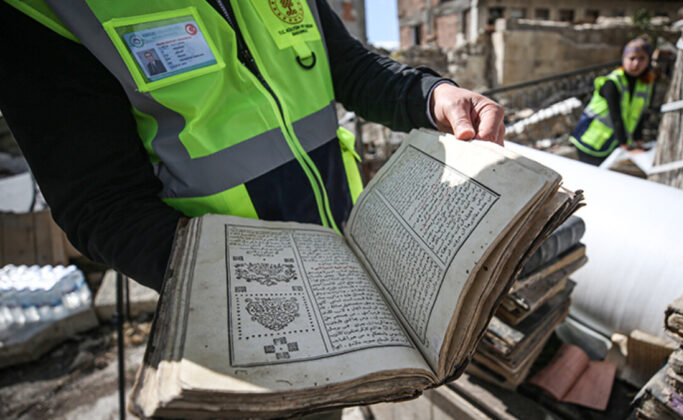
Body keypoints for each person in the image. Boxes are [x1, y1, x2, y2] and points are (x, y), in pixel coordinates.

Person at [0, 1, 505, 291]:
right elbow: (101, 204)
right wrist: (236, 284)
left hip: (348, 253)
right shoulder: (47, 10)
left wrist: (431, 94)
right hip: (234, 296)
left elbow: (344, 65)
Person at [570, 38, 655, 165]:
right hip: (592, 139)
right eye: (632, 58)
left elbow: (639, 115)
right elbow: (616, 116)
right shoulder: (612, 82)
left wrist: (637, 141)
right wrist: (625, 145)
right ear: (624, 58)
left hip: (612, 142)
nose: (636, 63)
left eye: (642, 59)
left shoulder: (644, 84)